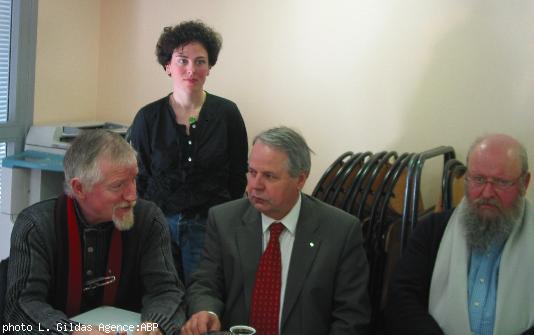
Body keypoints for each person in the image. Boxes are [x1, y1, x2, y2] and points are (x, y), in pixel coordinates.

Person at [181, 126, 370, 335]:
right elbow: (206, 283)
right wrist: (207, 311)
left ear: (300, 179)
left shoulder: (341, 231)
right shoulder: (224, 220)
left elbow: (351, 317)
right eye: (252, 173)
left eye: (269, 176)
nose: (255, 185)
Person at [4, 130, 185, 335]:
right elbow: (21, 307)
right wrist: (71, 331)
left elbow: (167, 291)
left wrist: (156, 325)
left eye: (134, 179)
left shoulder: (148, 219)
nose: (133, 195)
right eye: (118, 185)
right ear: (79, 188)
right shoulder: (36, 226)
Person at [129, 20, 248, 284]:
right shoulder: (147, 118)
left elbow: (239, 175)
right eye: (182, 60)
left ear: (210, 67)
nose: (191, 69)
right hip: (159, 227)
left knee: (202, 301)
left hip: (211, 228)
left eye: (200, 61)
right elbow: (138, 178)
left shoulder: (227, 113)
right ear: (168, 66)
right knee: (162, 297)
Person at [384, 133, 534, 335]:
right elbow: (402, 297)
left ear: (524, 183)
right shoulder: (432, 231)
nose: (487, 193)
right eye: (478, 179)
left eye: (501, 182)